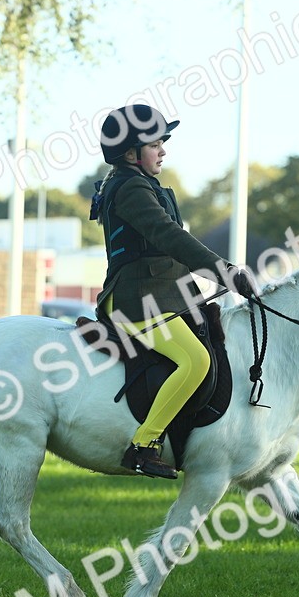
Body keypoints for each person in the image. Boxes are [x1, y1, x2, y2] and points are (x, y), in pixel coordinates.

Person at [90, 104, 257, 479]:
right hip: (138, 302)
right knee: (195, 361)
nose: (163, 150)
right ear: (130, 153)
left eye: (163, 142)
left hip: (163, 296)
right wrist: (225, 272)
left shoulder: (140, 184)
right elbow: (169, 238)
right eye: (155, 143)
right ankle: (143, 444)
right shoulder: (130, 187)